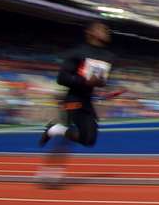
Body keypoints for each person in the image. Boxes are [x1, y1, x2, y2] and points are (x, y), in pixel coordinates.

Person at [37, 21, 114, 187]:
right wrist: (85, 81)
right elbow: (62, 78)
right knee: (65, 141)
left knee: (89, 140)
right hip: (73, 99)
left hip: (87, 101)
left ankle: (55, 130)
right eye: (102, 29)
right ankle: (50, 176)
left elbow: (99, 81)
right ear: (91, 32)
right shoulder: (77, 53)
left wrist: (102, 84)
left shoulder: (108, 56)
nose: (107, 32)